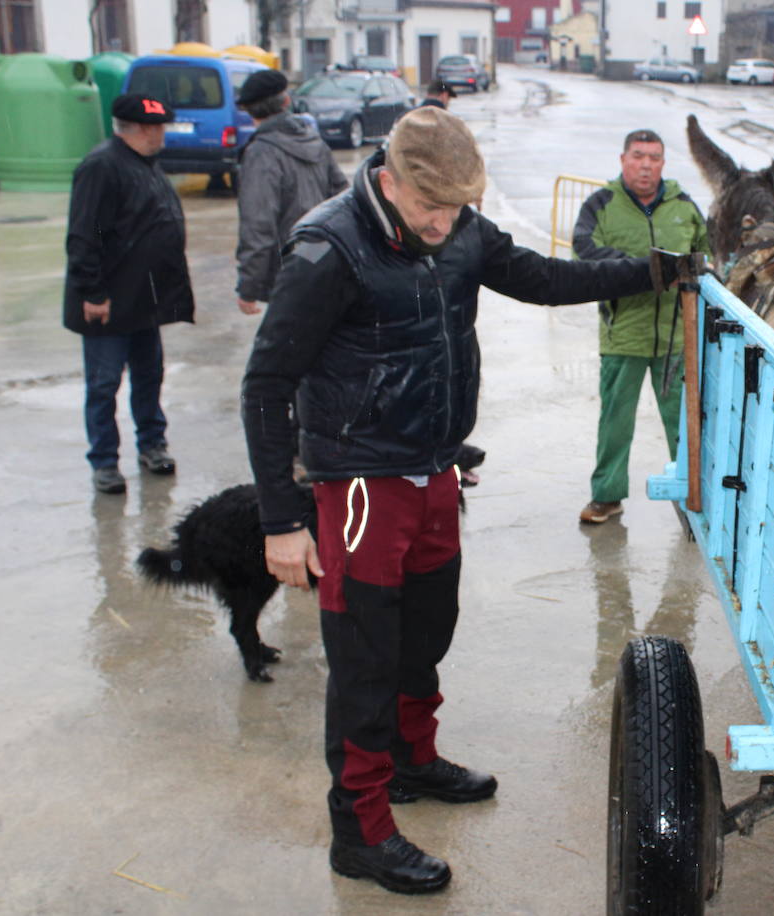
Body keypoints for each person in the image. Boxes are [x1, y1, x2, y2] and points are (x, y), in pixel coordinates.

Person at [240, 106, 674, 895]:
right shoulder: (330, 246)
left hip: (434, 467)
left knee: (428, 627)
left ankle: (412, 756)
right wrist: (281, 520)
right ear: (389, 177)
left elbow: (543, 279)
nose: (443, 224)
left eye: (455, 208)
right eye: (428, 207)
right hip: (363, 480)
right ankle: (361, 828)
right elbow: (266, 385)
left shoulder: (463, 229)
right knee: (365, 658)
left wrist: (649, 268)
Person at [572, 127, 710, 524]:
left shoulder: (683, 205)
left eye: (654, 157)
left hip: (676, 336)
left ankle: (691, 496)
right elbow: (584, 249)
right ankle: (607, 495)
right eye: (638, 156)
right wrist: (641, 271)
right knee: (616, 421)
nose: (645, 165)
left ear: (663, 163)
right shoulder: (602, 204)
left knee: (683, 423)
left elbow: (710, 253)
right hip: (624, 333)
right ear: (623, 160)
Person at [63, 93, 194, 495]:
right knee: (104, 385)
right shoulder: (102, 167)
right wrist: (93, 293)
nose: (162, 135)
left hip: (143, 300)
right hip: (109, 302)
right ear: (139, 130)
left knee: (149, 375)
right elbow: (85, 235)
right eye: (157, 129)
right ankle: (104, 462)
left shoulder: (145, 164)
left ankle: (152, 444)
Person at [234, 69, 347, 316]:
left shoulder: (261, 153)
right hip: (322, 259)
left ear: (249, 110)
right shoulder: (314, 141)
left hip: (288, 269)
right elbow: (344, 201)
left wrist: (249, 287)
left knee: (287, 346)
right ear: (286, 102)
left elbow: (258, 224)